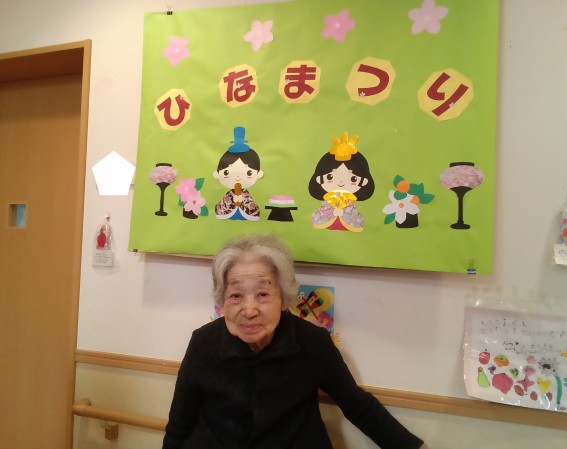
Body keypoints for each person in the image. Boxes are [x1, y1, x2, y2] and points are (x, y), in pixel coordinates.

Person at [162, 234, 427, 449]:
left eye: (263, 294)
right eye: (236, 296)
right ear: (222, 300)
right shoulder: (204, 342)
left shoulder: (311, 342)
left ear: (283, 298)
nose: (249, 310)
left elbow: (358, 406)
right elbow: (179, 423)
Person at [308, 131, 375, 232]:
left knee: (351, 217)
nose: (341, 183)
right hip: (327, 215)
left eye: (353, 179)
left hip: (349, 217)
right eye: (330, 177)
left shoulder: (350, 198)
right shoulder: (328, 198)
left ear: (364, 181)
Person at [213, 126, 263, 221]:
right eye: (226, 172)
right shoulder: (229, 194)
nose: (238, 177)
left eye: (249, 172)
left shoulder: (246, 195)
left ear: (258, 173)